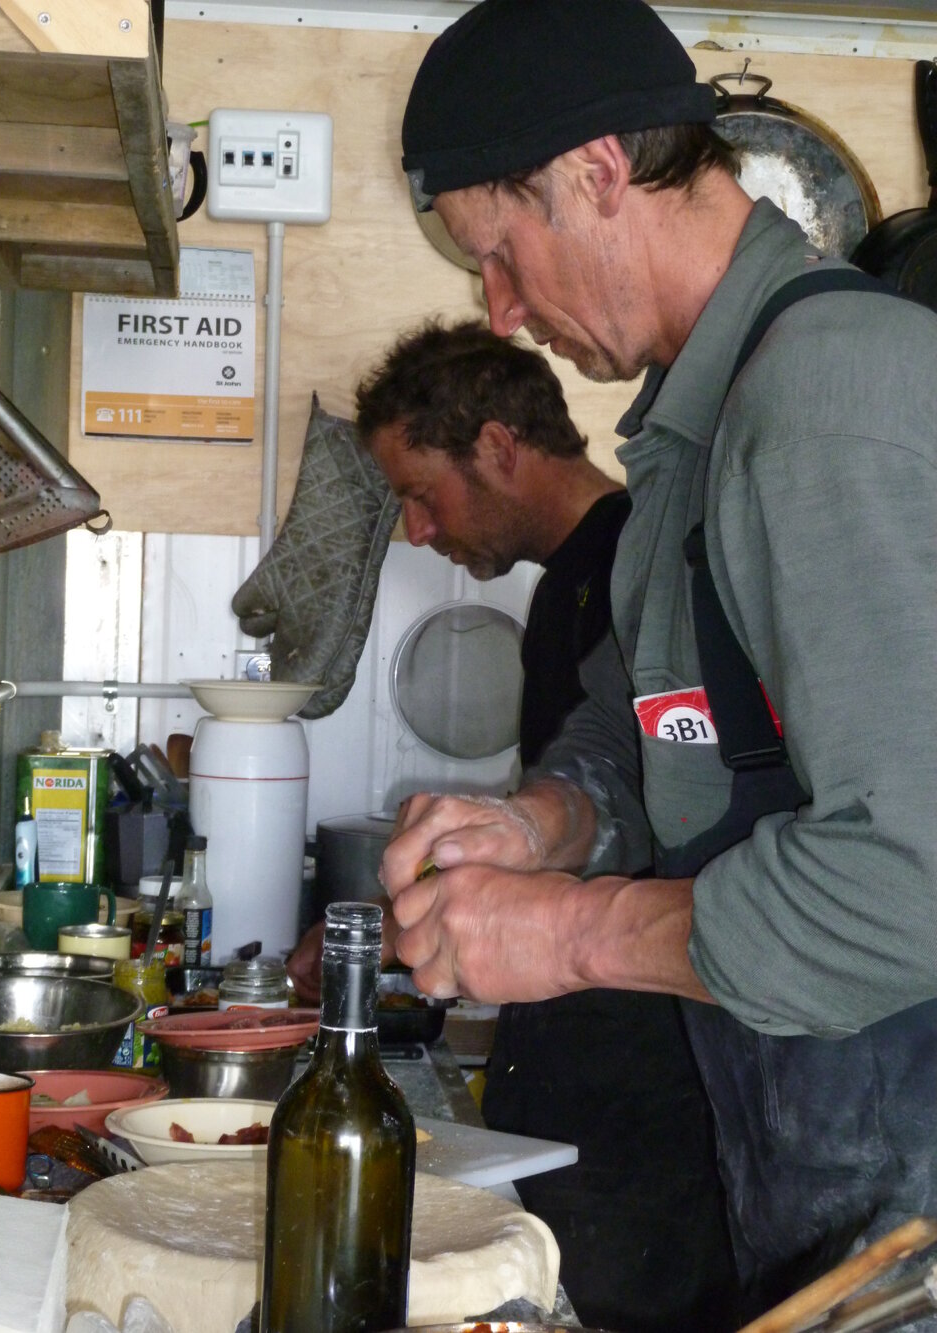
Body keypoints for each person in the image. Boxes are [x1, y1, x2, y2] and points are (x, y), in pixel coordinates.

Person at [382, 0, 937, 1325]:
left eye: (500, 259)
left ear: (595, 171)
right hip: (815, 1179)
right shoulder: (704, 425)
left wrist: (570, 932)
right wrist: (541, 822)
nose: (503, 313)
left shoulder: (830, 406)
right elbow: (653, 725)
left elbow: (909, 876)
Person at [288, 319, 739, 1332]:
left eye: (418, 493)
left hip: (649, 1086)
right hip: (588, 1065)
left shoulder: (636, 566)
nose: (414, 530)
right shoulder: (576, 585)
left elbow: (667, 820)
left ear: (498, 446)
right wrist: (389, 912)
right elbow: (551, 813)